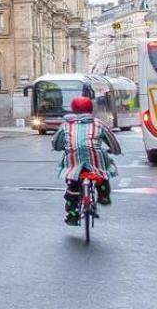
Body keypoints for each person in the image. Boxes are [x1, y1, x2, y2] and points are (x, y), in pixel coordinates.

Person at [52, 94, 120, 226]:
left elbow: (56, 144)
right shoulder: (99, 124)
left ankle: (72, 214)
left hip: (74, 162)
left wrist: (61, 147)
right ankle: (103, 195)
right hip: (95, 161)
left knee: (72, 186)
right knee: (102, 172)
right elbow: (113, 143)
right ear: (90, 109)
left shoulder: (66, 125)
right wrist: (116, 151)